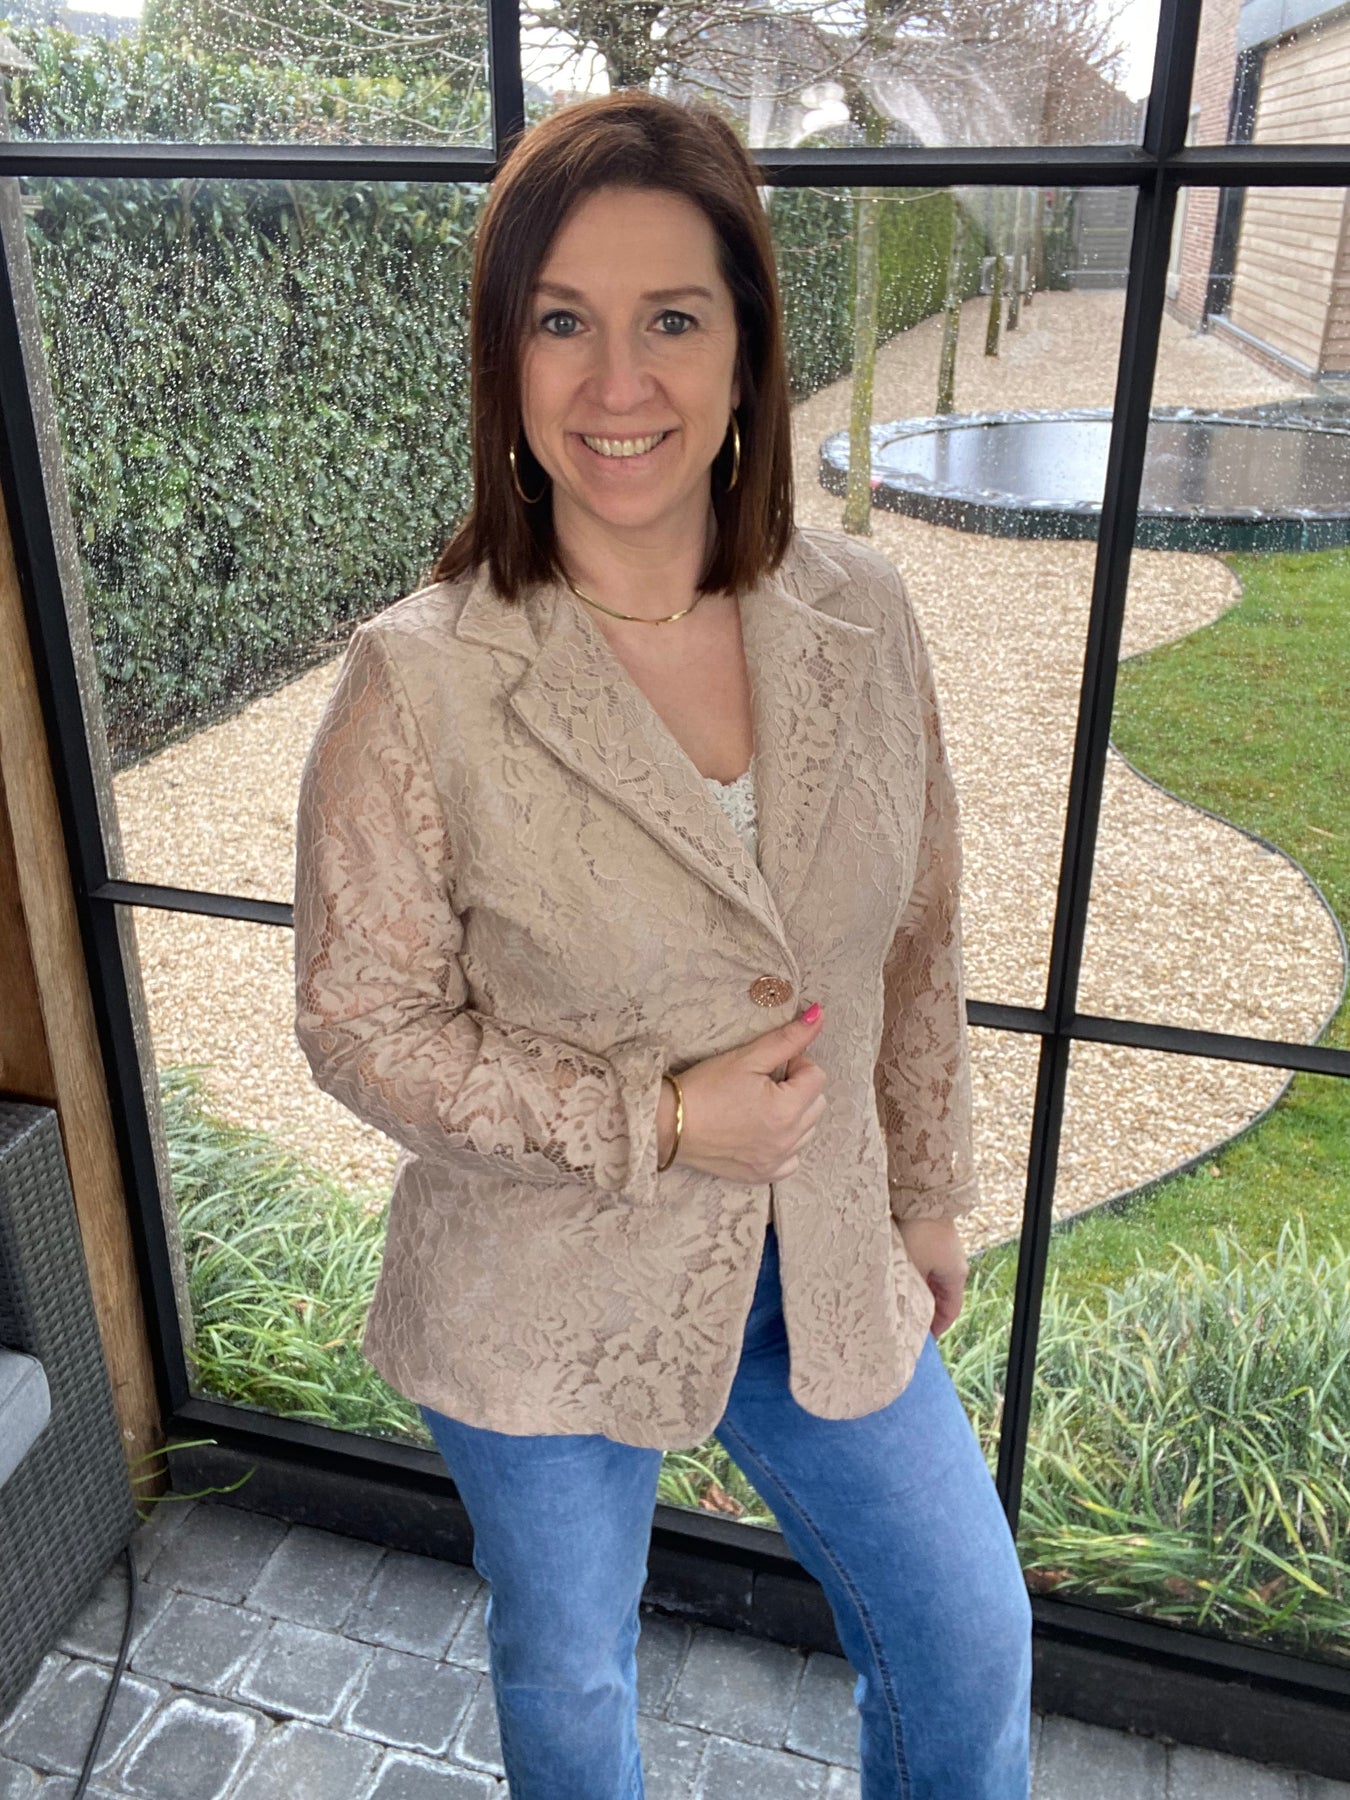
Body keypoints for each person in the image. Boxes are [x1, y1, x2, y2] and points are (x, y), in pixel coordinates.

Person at [293, 88, 1032, 1800]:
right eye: (563, 321)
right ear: (505, 359)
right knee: (569, 1678)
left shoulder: (864, 614)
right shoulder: (420, 681)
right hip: (538, 1287)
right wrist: (665, 1120)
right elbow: (362, 1023)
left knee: (967, 1639)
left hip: (825, 1251)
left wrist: (925, 1189)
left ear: (748, 354)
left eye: (672, 320)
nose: (615, 382)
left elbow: (916, 936)